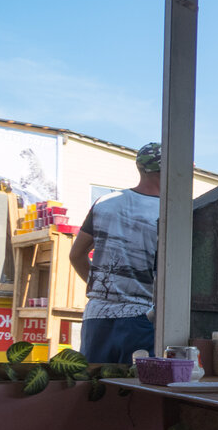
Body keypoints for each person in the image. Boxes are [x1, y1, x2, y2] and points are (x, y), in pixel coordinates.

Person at [69, 142, 162, 363]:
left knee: (95, 389)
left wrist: (100, 287)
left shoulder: (105, 203)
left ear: (140, 168)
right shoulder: (169, 211)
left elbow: (76, 255)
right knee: (135, 392)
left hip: (97, 317)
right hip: (141, 318)